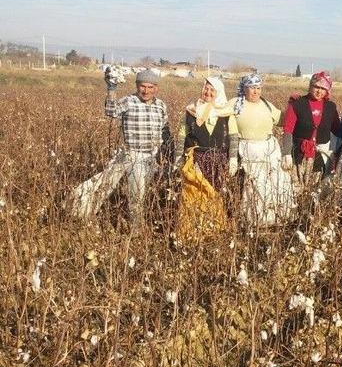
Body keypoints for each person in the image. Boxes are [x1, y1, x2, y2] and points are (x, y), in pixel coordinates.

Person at [71, 68, 171, 224]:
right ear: (137, 86)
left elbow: (165, 128)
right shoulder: (129, 101)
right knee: (135, 194)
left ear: (156, 88)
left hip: (154, 156)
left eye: (150, 87)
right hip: (134, 155)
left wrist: (167, 151)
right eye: (142, 87)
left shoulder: (161, 106)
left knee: (153, 193)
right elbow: (111, 111)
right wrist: (111, 89)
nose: (146, 91)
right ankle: (136, 229)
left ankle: (153, 222)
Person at [173, 76, 237, 239]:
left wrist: (233, 158)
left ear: (219, 92)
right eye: (206, 88)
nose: (208, 92)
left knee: (215, 195)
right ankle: (191, 231)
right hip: (196, 160)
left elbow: (233, 137)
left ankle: (213, 231)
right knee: (193, 194)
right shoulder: (191, 111)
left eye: (212, 90)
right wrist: (177, 157)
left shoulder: (227, 113)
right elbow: (182, 135)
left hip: (218, 160)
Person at [228, 73, 294, 228]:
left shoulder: (266, 104)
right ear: (244, 88)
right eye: (252, 88)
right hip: (248, 149)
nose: (255, 91)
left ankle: (279, 219)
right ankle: (256, 222)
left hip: (269, 149)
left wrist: (293, 107)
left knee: (277, 183)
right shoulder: (235, 104)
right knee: (255, 186)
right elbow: (218, 111)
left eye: (258, 88)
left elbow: (283, 120)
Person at [282, 71, 340, 188]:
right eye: (316, 87)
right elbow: (288, 130)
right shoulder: (297, 104)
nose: (319, 91)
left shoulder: (331, 107)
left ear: (327, 91)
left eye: (323, 88)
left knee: (317, 189)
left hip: (321, 155)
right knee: (297, 188)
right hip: (299, 155)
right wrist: (287, 153)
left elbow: (338, 130)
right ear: (310, 86)